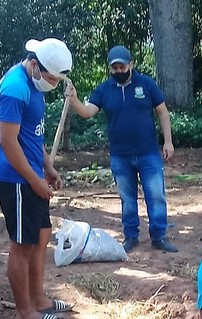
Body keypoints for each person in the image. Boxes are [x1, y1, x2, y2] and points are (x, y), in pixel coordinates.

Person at [0, 37, 74, 319]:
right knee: (22, 245)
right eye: (52, 77)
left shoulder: (35, 85)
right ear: (36, 66)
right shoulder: (15, 89)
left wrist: (47, 166)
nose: (54, 83)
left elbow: (30, 136)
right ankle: (25, 312)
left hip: (31, 175)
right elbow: (9, 143)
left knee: (41, 236)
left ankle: (39, 300)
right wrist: (34, 180)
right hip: (15, 179)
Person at [67, 45, 177, 253]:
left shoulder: (146, 84)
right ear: (110, 69)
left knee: (156, 195)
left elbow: (163, 112)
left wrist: (168, 141)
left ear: (131, 64)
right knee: (127, 199)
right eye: (114, 68)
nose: (118, 71)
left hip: (148, 153)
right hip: (120, 155)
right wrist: (74, 100)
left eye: (122, 66)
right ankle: (131, 236)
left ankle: (159, 236)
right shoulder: (104, 89)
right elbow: (88, 111)